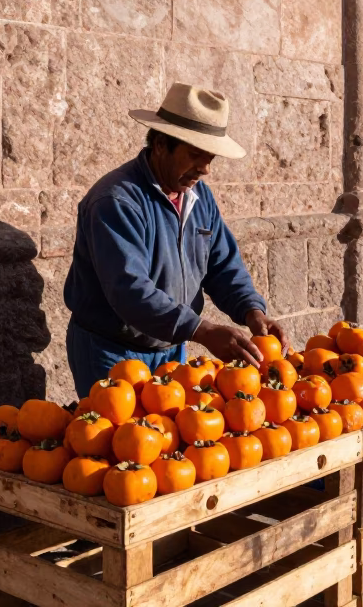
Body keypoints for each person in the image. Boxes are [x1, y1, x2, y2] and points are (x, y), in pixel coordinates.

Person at [63, 82, 287, 396]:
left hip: (171, 349)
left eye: (211, 158)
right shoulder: (116, 201)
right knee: (122, 442)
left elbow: (222, 265)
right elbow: (129, 289)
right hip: (111, 350)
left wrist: (252, 310)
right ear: (160, 145)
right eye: (196, 155)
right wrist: (202, 330)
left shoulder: (199, 197)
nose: (206, 169)